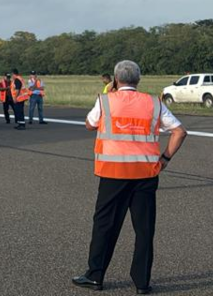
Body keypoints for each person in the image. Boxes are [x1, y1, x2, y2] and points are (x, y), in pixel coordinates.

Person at [72, 60, 188, 294]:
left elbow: (89, 124)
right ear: (139, 80)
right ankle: (142, 282)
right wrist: (165, 158)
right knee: (144, 229)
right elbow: (179, 131)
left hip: (113, 173)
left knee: (105, 225)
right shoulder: (153, 103)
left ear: (116, 79)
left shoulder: (106, 101)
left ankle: (95, 276)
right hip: (145, 174)